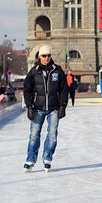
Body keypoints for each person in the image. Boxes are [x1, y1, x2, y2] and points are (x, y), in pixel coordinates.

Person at [23, 44, 68, 172]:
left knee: (52, 135)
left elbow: (64, 89)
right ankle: (30, 159)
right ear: (39, 57)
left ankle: (47, 157)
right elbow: (27, 90)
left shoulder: (58, 71)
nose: (46, 58)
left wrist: (63, 106)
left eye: (48, 55)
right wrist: (29, 107)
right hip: (37, 108)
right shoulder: (33, 72)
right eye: (44, 56)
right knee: (34, 135)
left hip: (54, 108)